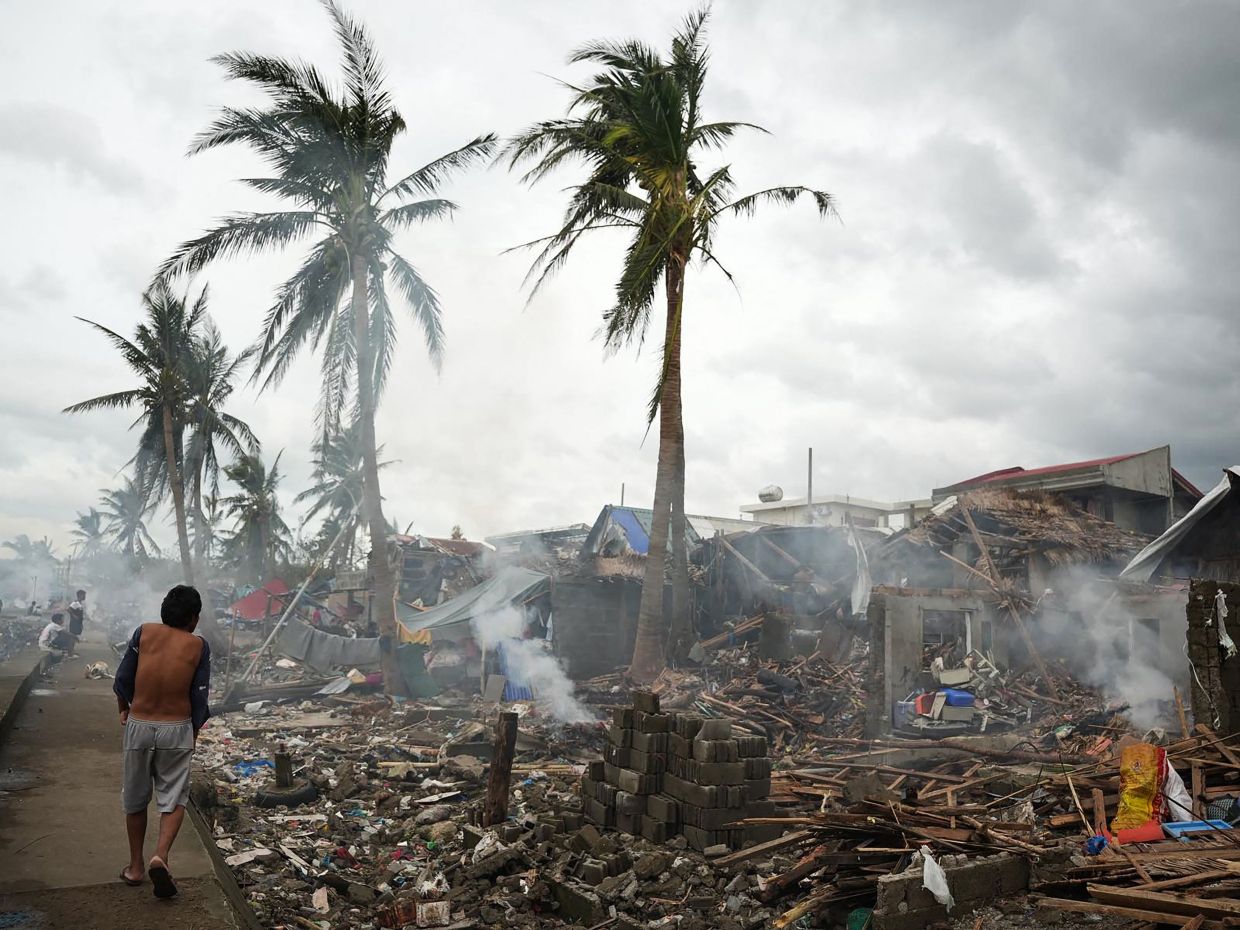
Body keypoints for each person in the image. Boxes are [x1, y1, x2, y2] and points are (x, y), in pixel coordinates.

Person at [113, 585, 212, 898]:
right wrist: (194, 730)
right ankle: (161, 857)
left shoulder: (144, 633)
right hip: (176, 726)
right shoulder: (198, 645)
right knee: (173, 798)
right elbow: (199, 694)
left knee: (135, 796)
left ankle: (135, 867)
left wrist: (125, 709)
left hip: (140, 723)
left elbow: (122, 679)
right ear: (194, 618)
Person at [67, 589, 87, 656]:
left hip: (78, 623)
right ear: (80, 595)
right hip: (74, 623)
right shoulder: (75, 603)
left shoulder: (79, 604)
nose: (85, 597)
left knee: (74, 637)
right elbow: (69, 609)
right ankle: (70, 653)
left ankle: (72, 651)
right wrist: (74, 616)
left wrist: (80, 624)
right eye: (84, 595)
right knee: (72, 637)